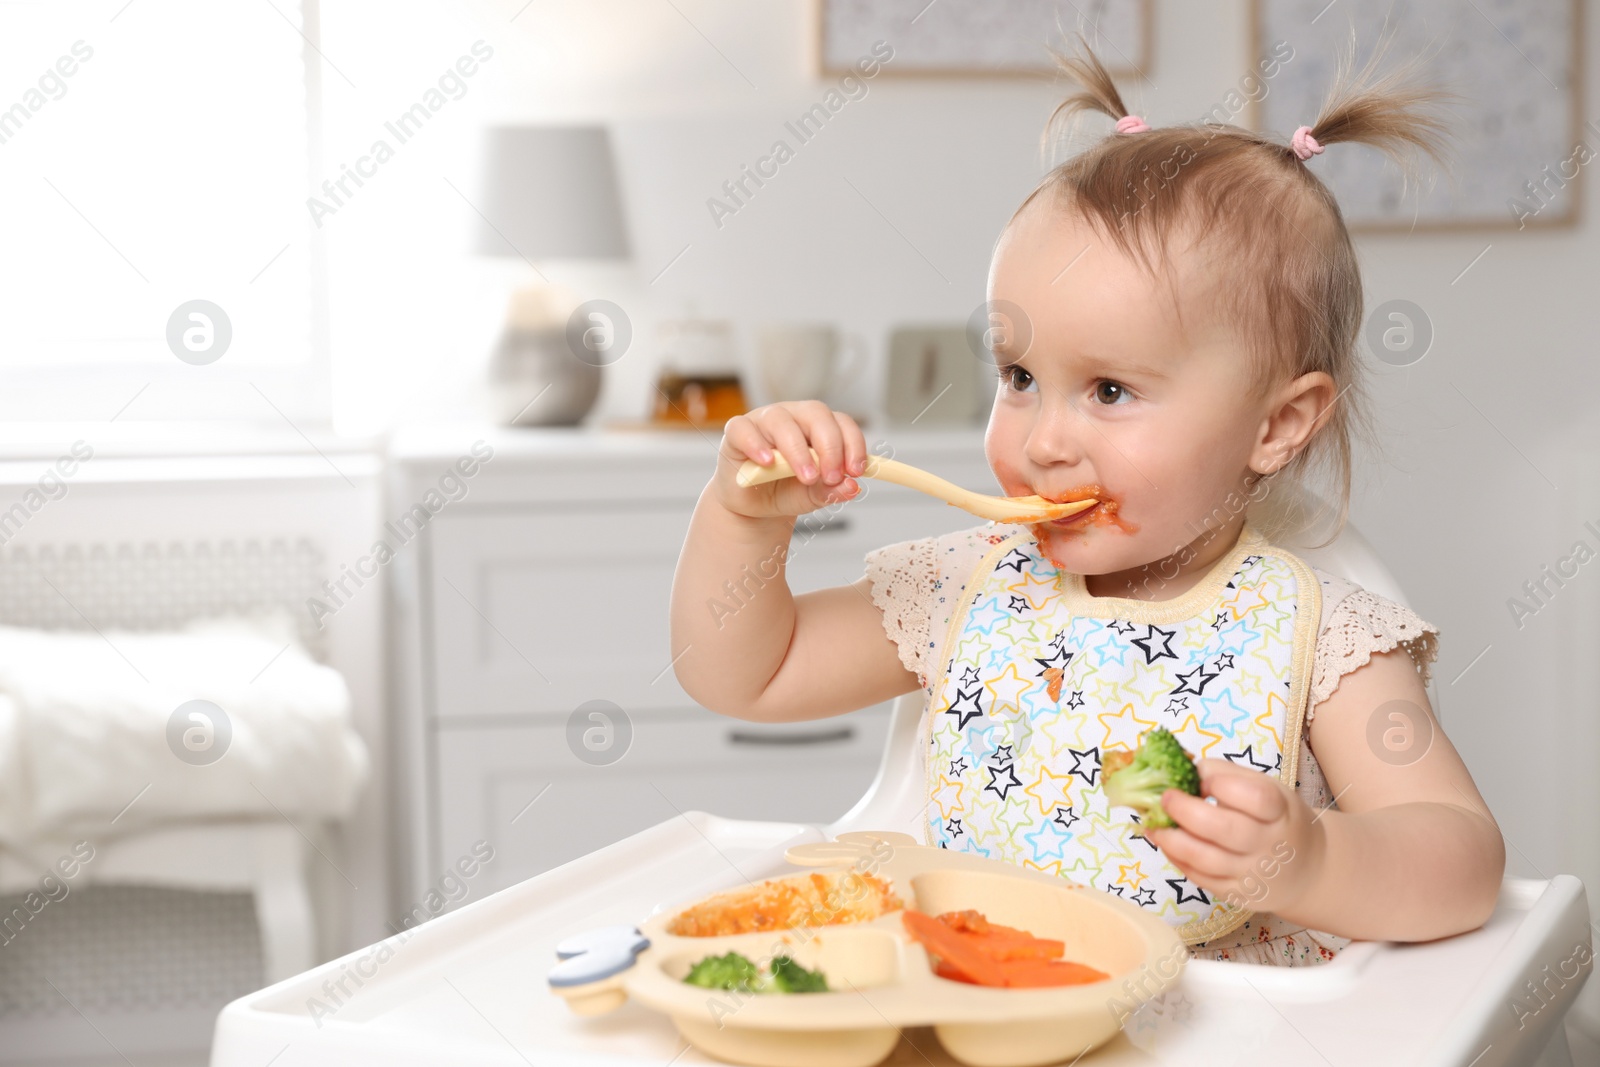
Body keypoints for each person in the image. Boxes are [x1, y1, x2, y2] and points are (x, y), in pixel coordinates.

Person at [669, 37, 1504, 967]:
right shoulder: (967, 587)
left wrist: (1313, 860)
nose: (1042, 440)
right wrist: (746, 518)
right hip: (974, 1001)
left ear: (1278, 424)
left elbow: (1463, 857)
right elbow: (745, 671)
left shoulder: (1322, 636)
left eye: (1109, 390)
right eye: (1020, 375)